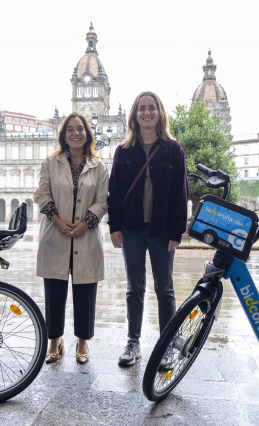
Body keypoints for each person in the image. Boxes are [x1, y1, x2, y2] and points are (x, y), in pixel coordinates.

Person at [107, 91, 189, 367]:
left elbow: (181, 193)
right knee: (135, 288)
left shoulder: (173, 149)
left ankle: (166, 344)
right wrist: (114, 227)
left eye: (151, 108)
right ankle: (133, 342)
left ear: (159, 113)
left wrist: (176, 232)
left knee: (164, 288)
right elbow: (115, 192)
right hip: (131, 229)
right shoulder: (124, 151)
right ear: (134, 115)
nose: (147, 112)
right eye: (141, 108)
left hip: (161, 229)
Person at [34, 112, 109, 365]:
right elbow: (42, 195)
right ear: (63, 136)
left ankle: (83, 341)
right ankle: (54, 340)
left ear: (88, 134)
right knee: (54, 290)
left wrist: (87, 223)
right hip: (56, 234)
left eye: (81, 129)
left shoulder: (99, 166)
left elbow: (103, 200)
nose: (76, 133)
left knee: (85, 290)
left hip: (86, 236)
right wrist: (56, 219)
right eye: (70, 130)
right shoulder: (50, 163)